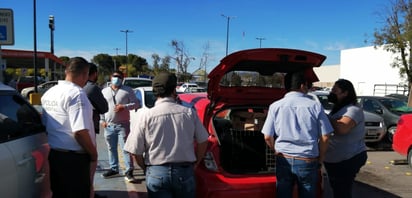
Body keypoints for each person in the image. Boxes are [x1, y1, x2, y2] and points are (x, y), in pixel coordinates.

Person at [124, 72, 209, 198]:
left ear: (155, 91)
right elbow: (203, 140)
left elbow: (135, 150)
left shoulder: (146, 116)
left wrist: (146, 169)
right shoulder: (189, 113)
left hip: (156, 172)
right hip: (184, 171)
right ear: (174, 90)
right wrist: (196, 162)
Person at [261, 71, 333, 198]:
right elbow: (326, 136)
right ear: (302, 85)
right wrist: (320, 160)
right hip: (307, 160)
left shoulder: (275, 106)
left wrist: (275, 150)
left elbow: (267, 136)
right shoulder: (315, 106)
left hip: (284, 158)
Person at [41, 57, 97, 197]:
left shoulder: (50, 92)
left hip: (55, 156)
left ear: (67, 71)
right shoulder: (77, 94)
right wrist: (93, 154)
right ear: (85, 74)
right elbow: (79, 132)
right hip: (74, 161)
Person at [323, 79, 368, 198]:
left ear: (345, 93)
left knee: (342, 191)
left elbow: (342, 128)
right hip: (335, 159)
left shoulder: (353, 109)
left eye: (335, 90)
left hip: (348, 159)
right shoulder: (338, 109)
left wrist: (324, 117)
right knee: (338, 190)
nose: (331, 92)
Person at [101, 70, 140, 182]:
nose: (116, 78)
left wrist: (124, 106)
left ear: (122, 79)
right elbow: (101, 107)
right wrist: (101, 120)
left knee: (126, 149)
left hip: (123, 125)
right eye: (115, 76)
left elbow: (137, 104)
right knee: (111, 148)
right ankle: (114, 169)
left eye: (119, 77)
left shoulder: (128, 90)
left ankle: (129, 171)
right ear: (110, 77)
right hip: (109, 125)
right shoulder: (104, 91)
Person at [83, 63, 109, 198]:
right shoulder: (92, 88)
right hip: (88, 129)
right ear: (93, 74)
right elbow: (104, 107)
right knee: (90, 163)